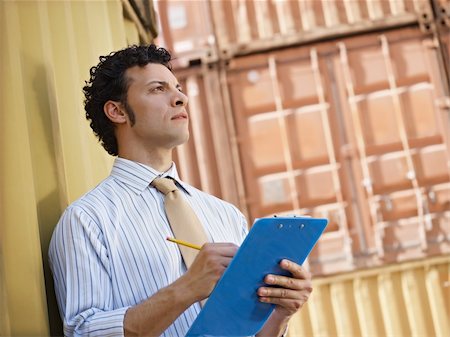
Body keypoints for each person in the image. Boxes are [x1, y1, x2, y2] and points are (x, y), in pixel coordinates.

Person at [49, 44, 313, 337]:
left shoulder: (226, 215)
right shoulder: (86, 220)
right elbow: (84, 332)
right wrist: (186, 288)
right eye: (157, 89)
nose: (181, 98)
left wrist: (279, 315)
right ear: (117, 111)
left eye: (177, 88)